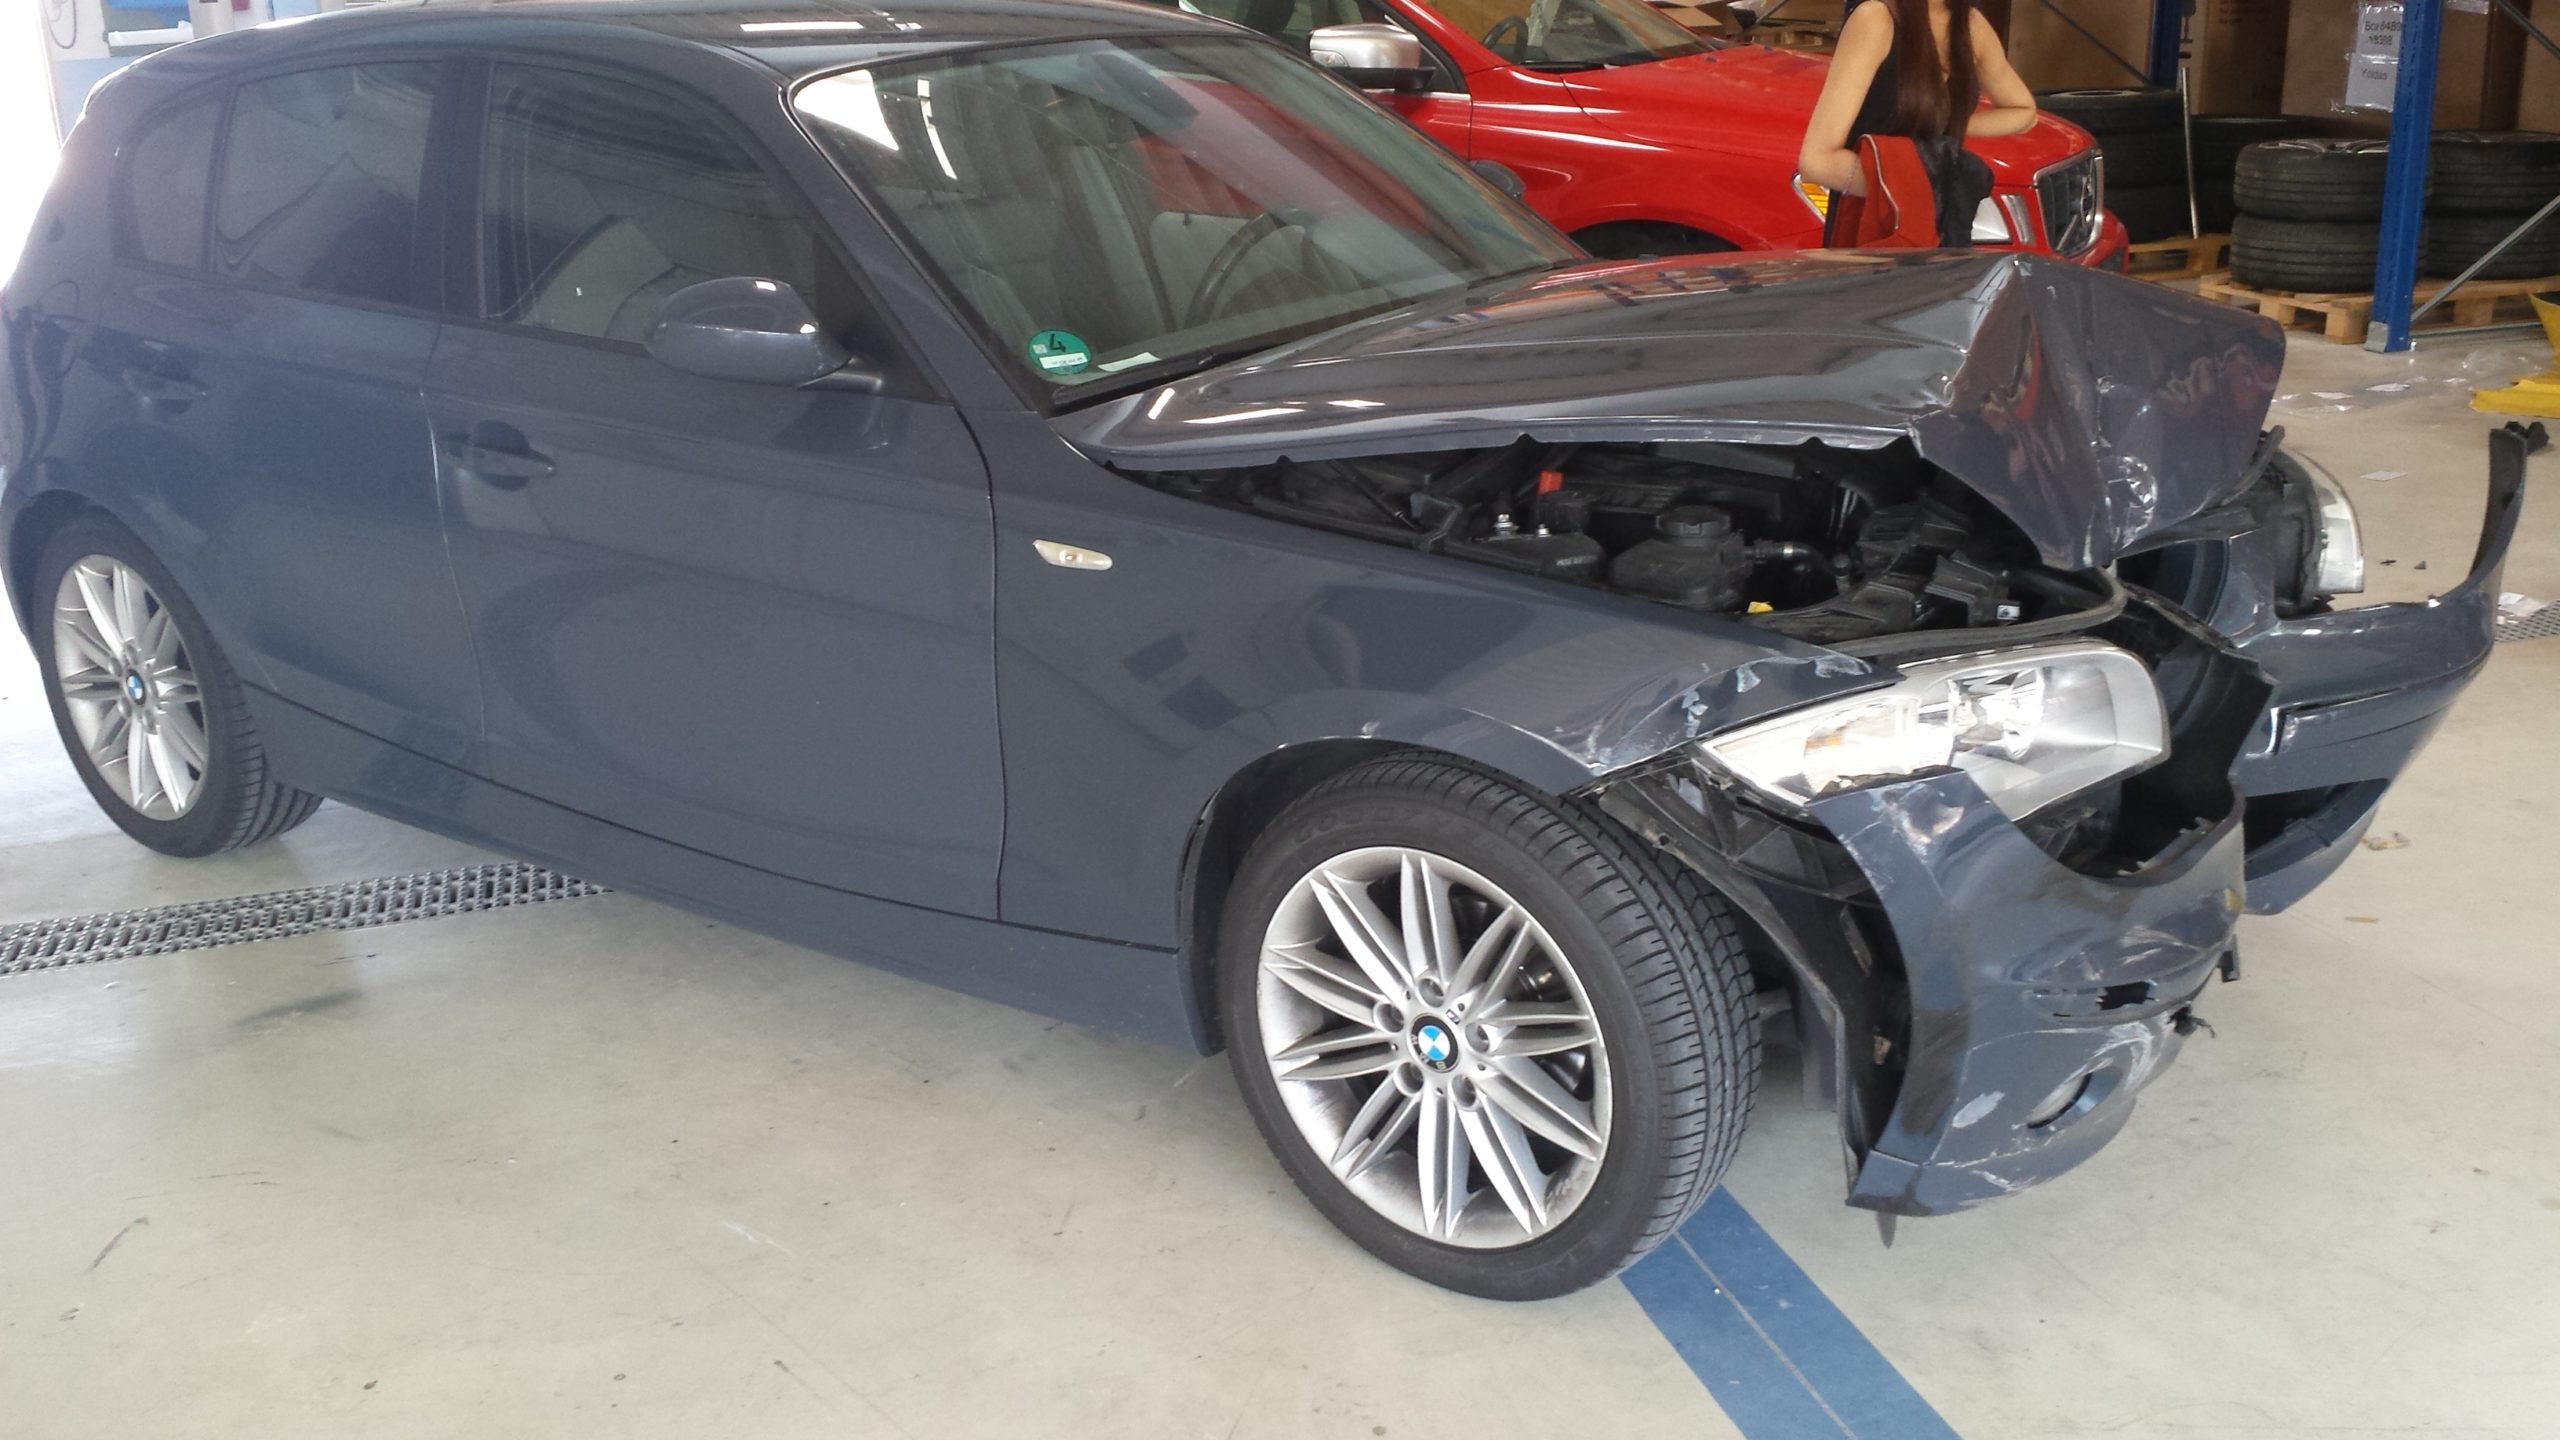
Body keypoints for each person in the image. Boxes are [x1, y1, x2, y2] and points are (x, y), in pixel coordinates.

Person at [1797, 0, 2038, 244]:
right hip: (1871, 233)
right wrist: (1918, 186)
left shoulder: (1970, 24)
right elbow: (1816, 161)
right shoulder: (1875, 19)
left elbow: (2024, 112)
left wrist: (1945, 126)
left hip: (1940, 232)